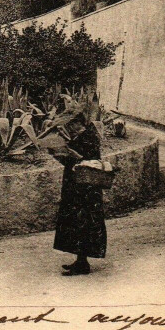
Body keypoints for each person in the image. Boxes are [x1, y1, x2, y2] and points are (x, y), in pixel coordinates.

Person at [50, 112, 106, 276]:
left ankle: (82, 263)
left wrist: (72, 155)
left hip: (85, 188)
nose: (69, 128)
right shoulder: (85, 136)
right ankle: (80, 260)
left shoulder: (88, 137)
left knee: (83, 221)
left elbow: (90, 160)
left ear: (77, 123)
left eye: (71, 125)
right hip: (77, 186)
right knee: (76, 221)